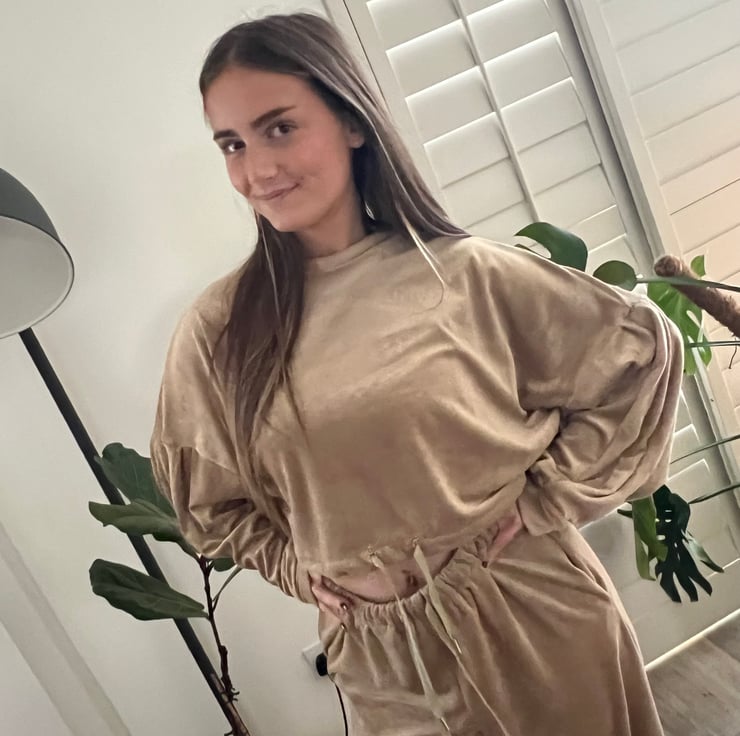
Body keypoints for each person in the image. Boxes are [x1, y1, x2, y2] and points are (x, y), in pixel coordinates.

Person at [150, 12, 683, 736]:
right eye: (233, 144)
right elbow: (210, 505)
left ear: (351, 122)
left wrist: (544, 502)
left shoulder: (462, 274)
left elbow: (638, 354)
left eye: (280, 128)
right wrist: (294, 566)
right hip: (384, 665)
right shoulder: (219, 332)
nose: (257, 169)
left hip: (539, 616)